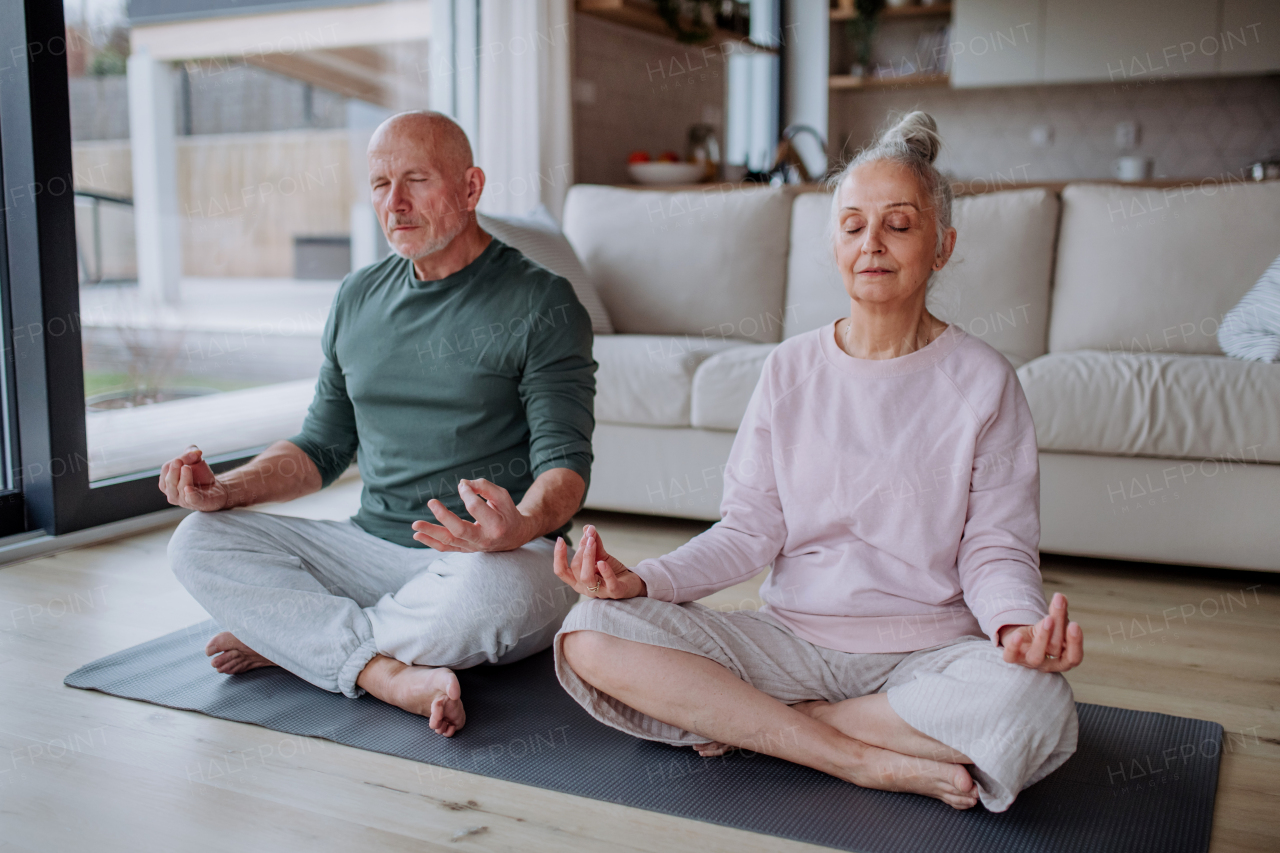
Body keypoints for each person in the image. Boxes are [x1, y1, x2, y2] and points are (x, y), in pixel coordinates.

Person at [551, 112, 1082, 812]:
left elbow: (996, 545)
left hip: (925, 656)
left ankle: (771, 727)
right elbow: (748, 530)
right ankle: (857, 758)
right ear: (833, 243)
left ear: (942, 245)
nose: (873, 243)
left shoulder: (984, 380)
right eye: (854, 225)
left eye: (899, 223)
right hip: (789, 641)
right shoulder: (790, 368)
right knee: (588, 634)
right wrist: (644, 580)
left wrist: (1016, 627)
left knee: (1036, 703)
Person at [162, 111, 595, 737]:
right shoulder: (356, 296)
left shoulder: (541, 301)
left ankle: (304, 642)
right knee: (196, 540)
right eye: (378, 184)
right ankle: (380, 671)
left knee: (509, 597)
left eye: (416, 180)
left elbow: (564, 465)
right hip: (369, 550)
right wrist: (225, 490)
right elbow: (321, 446)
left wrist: (518, 526)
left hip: (488, 558)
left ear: (471, 188)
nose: (394, 203)